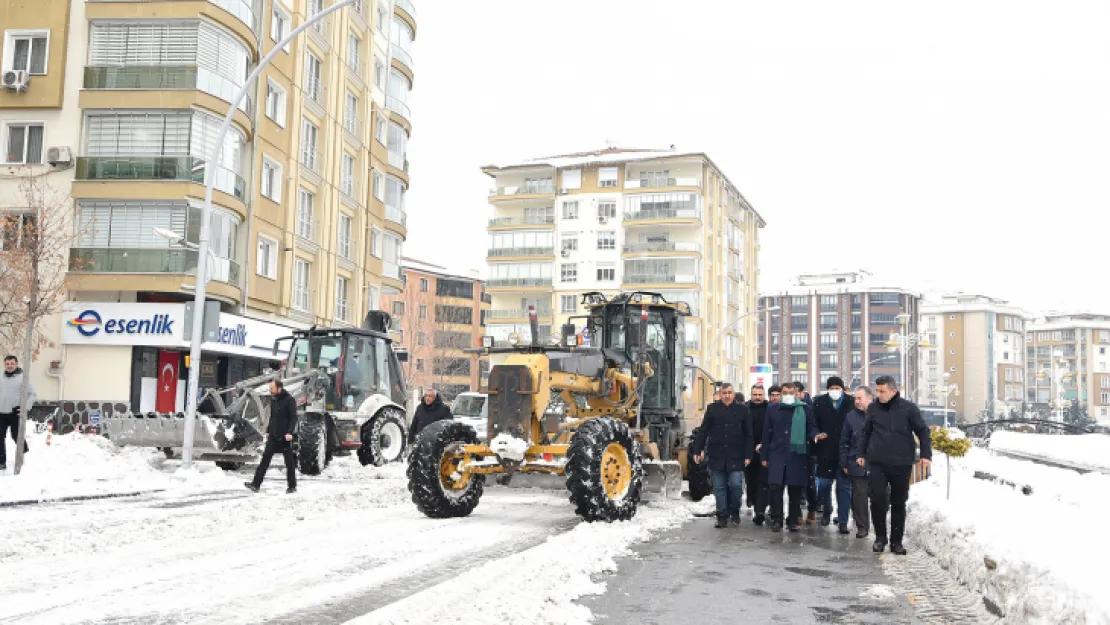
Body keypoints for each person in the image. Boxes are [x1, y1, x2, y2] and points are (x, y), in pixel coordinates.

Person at [856, 376, 932, 555]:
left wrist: (926, 455)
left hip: (901, 462)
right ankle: (880, 538)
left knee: (898, 502)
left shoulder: (908, 408)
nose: (879, 394)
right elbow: (866, 432)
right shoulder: (873, 408)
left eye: (882, 391)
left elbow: (922, 430)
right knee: (877, 500)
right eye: (877, 391)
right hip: (877, 462)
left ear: (893, 391)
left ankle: (896, 542)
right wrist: (861, 453)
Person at [761, 382, 821, 532]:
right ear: (781, 393)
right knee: (776, 488)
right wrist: (764, 456)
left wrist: (815, 435)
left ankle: (793, 520)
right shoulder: (772, 409)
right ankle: (777, 519)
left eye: (791, 392)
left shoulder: (805, 409)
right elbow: (766, 433)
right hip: (777, 454)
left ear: (796, 393)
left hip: (797, 454)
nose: (788, 395)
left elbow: (811, 427)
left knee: (795, 489)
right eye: (785, 392)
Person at [694, 383, 752, 528]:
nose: (727, 395)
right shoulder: (712, 409)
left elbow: (748, 434)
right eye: (724, 393)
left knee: (736, 485)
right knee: (719, 487)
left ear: (734, 394)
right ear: (720, 395)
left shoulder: (743, 410)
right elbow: (704, 430)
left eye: (729, 392)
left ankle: (735, 511)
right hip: (717, 454)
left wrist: (748, 454)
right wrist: (698, 449)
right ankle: (721, 515)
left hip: (736, 455)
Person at [813, 377, 854, 532]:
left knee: (843, 488)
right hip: (825, 450)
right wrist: (817, 434)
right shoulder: (820, 402)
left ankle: (843, 520)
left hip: (845, 451)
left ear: (842, 389)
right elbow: (813, 423)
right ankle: (827, 510)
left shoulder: (850, 403)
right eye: (832, 388)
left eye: (838, 387)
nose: (835, 390)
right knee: (824, 485)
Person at [245, 379, 298, 494]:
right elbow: (272, 417)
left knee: (289, 463)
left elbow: (293, 418)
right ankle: (256, 484)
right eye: (270, 389)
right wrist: (268, 430)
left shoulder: (289, 400)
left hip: (284, 437)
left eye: (272, 389)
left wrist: (290, 432)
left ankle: (292, 486)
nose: (270, 391)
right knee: (264, 461)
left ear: (279, 388)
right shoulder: (274, 400)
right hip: (273, 436)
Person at [841, 386, 873, 539]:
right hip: (855, 461)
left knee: (880, 496)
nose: (857, 401)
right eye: (856, 399)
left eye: (860, 398)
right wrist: (844, 463)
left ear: (870, 399)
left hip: (877, 463)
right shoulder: (850, 417)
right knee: (859, 495)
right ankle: (862, 526)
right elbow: (844, 441)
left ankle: (879, 524)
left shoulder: (879, 414)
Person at [0, 355, 34, 471]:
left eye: (12, 364)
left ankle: (24, 455)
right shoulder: (1, 377)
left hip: (15, 413)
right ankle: (1, 462)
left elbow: (32, 394)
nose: (9, 366)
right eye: (7, 364)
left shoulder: (22, 378)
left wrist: (26, 407)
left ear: (16, 364)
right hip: (1, 413)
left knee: (16, 436)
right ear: (5, 364)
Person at [745, 385, 770, 525]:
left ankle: (760, 510)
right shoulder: (745, 408)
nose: (757, 397)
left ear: (764, 395)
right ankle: (753, 502)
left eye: (760, 395)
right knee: (751, 480)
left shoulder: (770, 408)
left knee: (763, 481)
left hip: (764, 450)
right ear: (751, 395)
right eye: (755, 394)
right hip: (748, 451)